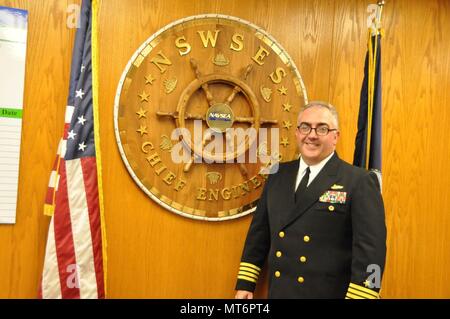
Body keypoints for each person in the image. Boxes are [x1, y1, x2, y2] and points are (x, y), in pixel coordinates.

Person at [235, 101, 386, 299]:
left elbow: (371, 251)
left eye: (322, 128)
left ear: (335, 137)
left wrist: (363, 295)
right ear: (297, 133)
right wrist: (246, 282)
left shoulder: (359, 181)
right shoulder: (278, 173)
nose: (312, 135)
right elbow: (259, 234)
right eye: (305, 127)